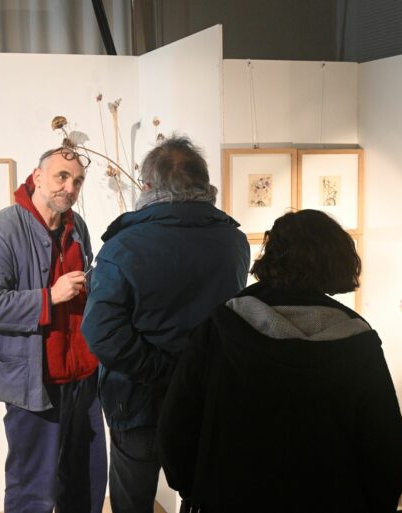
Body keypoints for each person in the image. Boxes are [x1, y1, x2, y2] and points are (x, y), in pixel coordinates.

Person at [157, 209, 402, 512]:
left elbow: (177, 423)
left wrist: (196, 487)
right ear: (338, 260)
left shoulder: (223, 327)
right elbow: (387, 446)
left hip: (230, 498)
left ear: (271, 255)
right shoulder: (356, 340)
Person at [81, 136, 250, 513]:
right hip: (206, 393)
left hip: (138, 398)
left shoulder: (124, 246)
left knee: (132, 497)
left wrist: (161, 371)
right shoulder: (234, 242)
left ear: (146, 186)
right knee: (203, 493)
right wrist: (186, 372)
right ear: (203, 183)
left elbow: (101, 332)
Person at [0, 146, 106, 513]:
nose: (70, 188)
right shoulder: (2, 229)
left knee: (86, 486)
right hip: (35, 386)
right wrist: (50, 297)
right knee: (33, 493)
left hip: (84, 381)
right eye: (62, 176)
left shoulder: (78, 227)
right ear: (37, 176)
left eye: (77, 181)